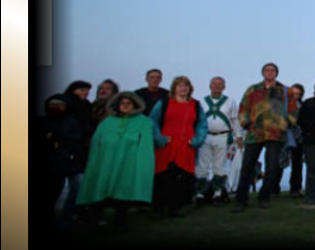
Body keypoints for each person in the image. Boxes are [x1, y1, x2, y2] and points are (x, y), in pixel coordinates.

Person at [76, 92, 155, 231]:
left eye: (128, 103)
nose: (125, 106)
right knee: (99, 187)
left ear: (135, 105)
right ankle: (94, 219)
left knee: (122, 190)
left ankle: (120, 221)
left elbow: (146, 144)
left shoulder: (143, 122)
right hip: (106, 161)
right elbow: (97, 141)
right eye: (122, 103)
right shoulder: (107, 121)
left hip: (128, 162)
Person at [232, 63, 299, 212]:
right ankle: (241, 199)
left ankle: (264, 197)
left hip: (275, 134)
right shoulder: (253, 90)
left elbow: (293, 110)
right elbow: (243, 108)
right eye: (267, 70)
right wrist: (246, 124)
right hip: (254, 133)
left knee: (272, 167)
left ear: (276, 73)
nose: (270, 72)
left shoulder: (285, 91)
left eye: (273, 70)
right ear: (263, 73)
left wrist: (287, 123)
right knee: (247, 167)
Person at [150, 76, 208, 218]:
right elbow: (152, 121)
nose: (183, 88)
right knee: (163, 177)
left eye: (186, 86)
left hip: (186, 146)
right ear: (174, 88)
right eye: (180, 86)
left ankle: (175, 208)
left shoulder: (195, 105)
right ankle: (158, 208)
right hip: (166, 145)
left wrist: (196, 140)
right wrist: (159, 138)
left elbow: (202, 125)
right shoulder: (163, 103)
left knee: (182, 178)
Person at [40, 93, 91, 229]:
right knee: (50, 194)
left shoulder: (72, 121)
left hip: (70, 161)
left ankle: (67, 219)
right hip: (50, 164)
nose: (56, 108)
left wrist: (56, 139)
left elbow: (77, 139)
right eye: (53, 105)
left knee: (76, 189)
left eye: (60, 105)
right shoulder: (41, 121)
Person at [195, 76, 241, 205]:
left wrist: (238, 136)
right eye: (214, 84)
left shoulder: (230, 101)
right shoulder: (202, 102)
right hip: (206, 136)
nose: (217, 86)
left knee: (219, 166)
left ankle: (218, 193)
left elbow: (235, 120)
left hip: (223, 136)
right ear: (210, 86)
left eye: (220, 84)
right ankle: (200, 193)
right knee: (202, 165)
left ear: (224, 87)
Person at [273, 83, 306, 198]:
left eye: (298, 94)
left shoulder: (302, 105)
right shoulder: (282, 106)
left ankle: (295, 189)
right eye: (293, 93)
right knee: (280, 163)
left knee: (297, 164)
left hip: (298, 138)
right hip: (283, 137)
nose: (295, 96)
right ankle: (274, 188)